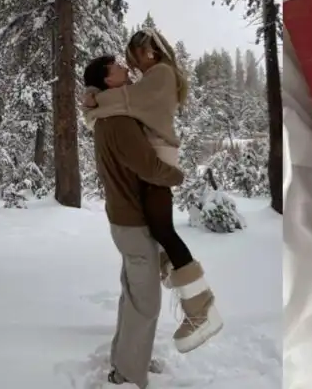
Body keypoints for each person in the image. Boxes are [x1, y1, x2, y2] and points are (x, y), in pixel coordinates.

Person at [83, 29, 223, 360]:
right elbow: (123, 101)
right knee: (158, 231)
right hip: (157, 160)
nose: (130, 61)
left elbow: (123, 101)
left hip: (160, 159)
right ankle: (190, 300)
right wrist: (95, 98)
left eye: (136, 53)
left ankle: (201, 308)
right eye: (128, 57)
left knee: (162, 230)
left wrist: (93, 102)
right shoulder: (149, 79)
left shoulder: (160, 75)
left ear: (153, 51)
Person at [82, 60, 184, 388]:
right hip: (133, 222)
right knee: (146, 302)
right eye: (116, 67)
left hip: (125, 221)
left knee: (133, 295)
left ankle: (127, 358)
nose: (124, 67)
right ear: (107, 81)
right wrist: (177, 175)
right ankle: (127, 373)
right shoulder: (119, 122)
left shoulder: (106, 117)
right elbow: (149, 167)